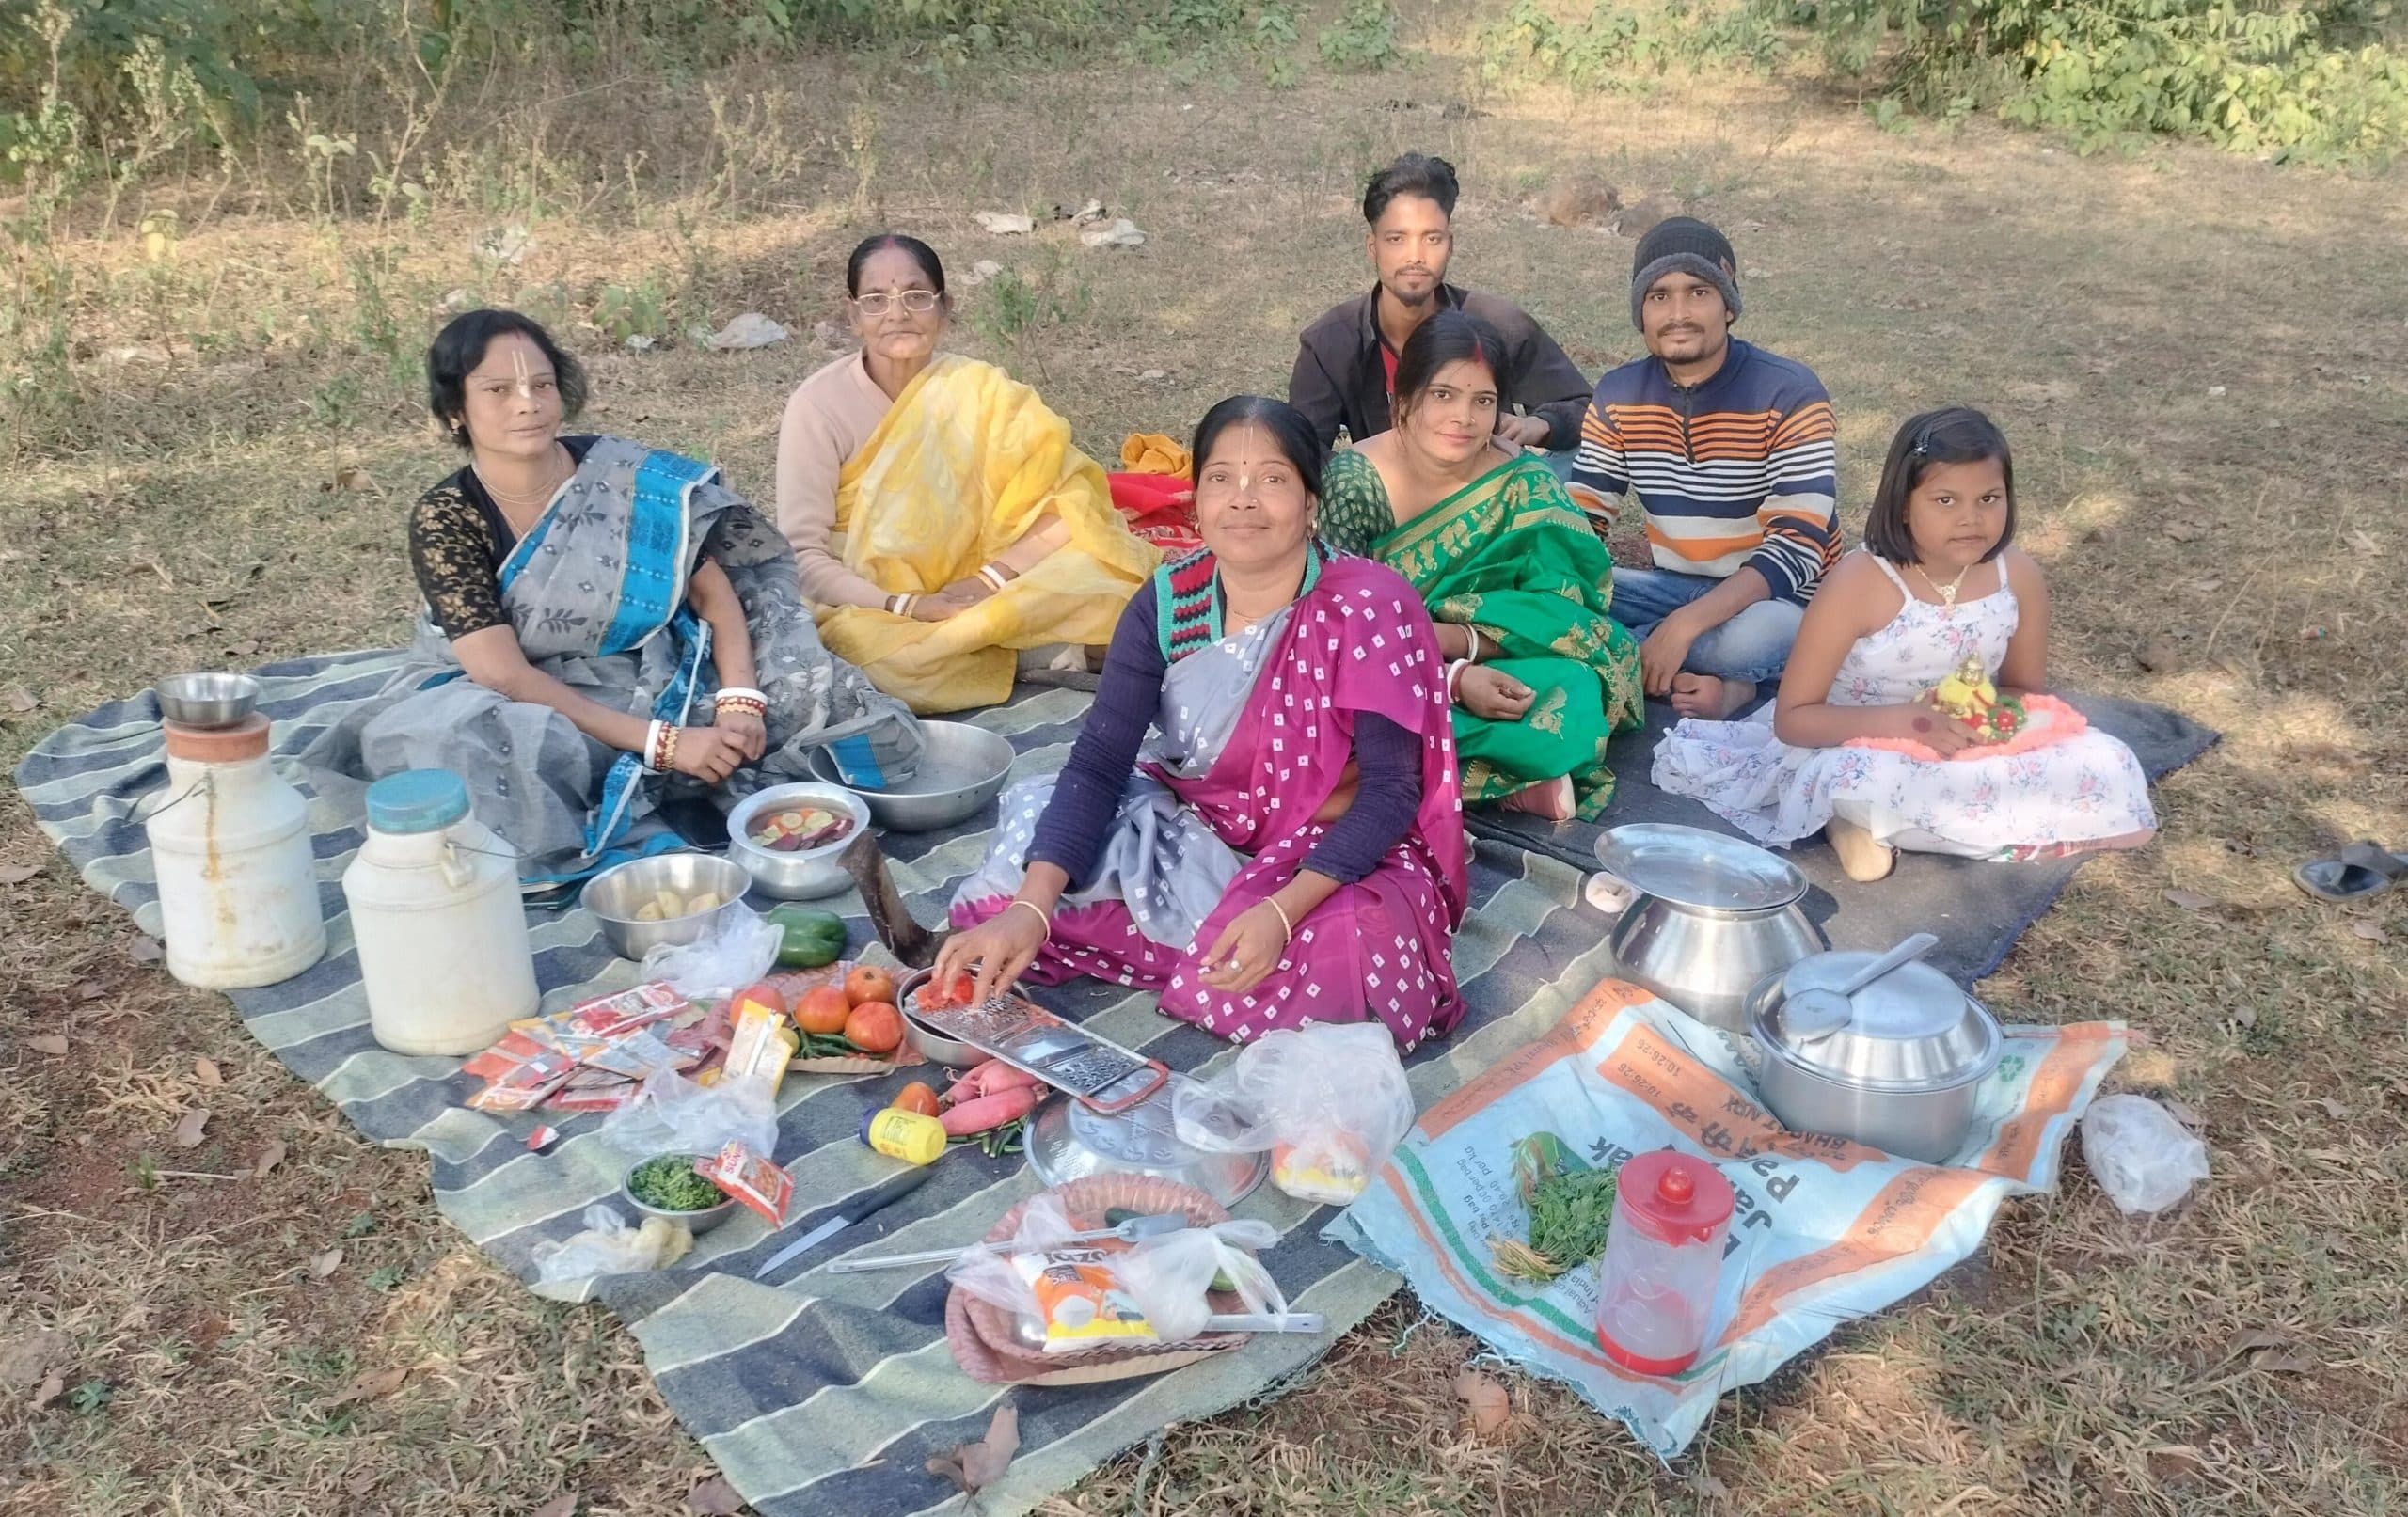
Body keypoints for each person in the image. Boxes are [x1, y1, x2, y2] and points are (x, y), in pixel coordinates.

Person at [301, 309, 922, 884]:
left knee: (817, 690)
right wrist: (665, 743)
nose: (528, 405)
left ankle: (697, 770)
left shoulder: (619, 476)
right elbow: (502, 673)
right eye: (498, 390)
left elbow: (714, 592)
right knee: (480, 755)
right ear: (456, 410)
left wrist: (740, 700)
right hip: (529, 694)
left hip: (658, 661)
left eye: (541, 385)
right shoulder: (447, 517)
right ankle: (664, 787)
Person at [935, 396, 1470, 1050]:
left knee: (1357, 960)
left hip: (1330, 853)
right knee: (1018, 875)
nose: (1243, 500)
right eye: (1221, 478)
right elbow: (1101, 761)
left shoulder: (1368, 605)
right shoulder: (1166, 602)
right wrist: (1030, 908)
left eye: (1272, 479)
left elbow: (1391, 791)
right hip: (1198, 832)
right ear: (1195, 505)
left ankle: (1236, 940)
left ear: (1309, 504)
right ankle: (1194, 940)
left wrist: (1280, 910)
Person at [1651, 407, 2157, 881]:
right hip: (1857, 742)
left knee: (2108, 760)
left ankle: (1903, 825)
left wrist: (1987, 725)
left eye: (1989, 499)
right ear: (1903, 506)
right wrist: (1913, 724)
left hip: (1959, 739)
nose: (1971, 519)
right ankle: (1851, 818)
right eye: (1945, 500)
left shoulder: (2016, 575)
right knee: (1854, 779)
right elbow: (1794, 719)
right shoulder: (1861, 581)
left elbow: (2024, 691)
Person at [774, 233, 1159, 713]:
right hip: (873, 601)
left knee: (1118, 585)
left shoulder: (980, 389)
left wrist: (989, 580)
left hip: (986, 584)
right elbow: (802, 556)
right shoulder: (818, 407)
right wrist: (907, 606)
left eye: (916, 295)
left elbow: (1070, 503)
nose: (897, 313)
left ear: (944, 308)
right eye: (876, 300)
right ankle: (1030, 648)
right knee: (871, 660)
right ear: (854, 317)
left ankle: (1006, 643)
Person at [1318, 310, 1644, 822]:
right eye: (1443, 395)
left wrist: (1467, 649)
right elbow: (1339, 626)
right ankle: (1501, 783)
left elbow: (1559, 611)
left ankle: (1426, 781)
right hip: (1386, 667)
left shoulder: (1522, 483)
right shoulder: (1358, 482)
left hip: (1500, 653)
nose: (1463, 418)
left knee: (1581, 686)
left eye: (1483, 401)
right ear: (1403, 398)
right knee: (1342, 720)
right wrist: (1453, 678)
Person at [1568, 216, 1839, 719]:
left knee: (1762, 639)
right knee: (1562, 591)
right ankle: (1707, 676)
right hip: (1671, 590)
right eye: (1659, 297)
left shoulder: (1790, 392)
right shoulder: (1620, 394)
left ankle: (1627, 656)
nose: (1678, 314)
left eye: (1698, 292)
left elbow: (1798, 549)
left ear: (1728, 305)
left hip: (1775, 601)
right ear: (1640, 313)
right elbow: (1583, 518)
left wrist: (1684, 626)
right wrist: (1554, 589)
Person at [1289, 152, 1592, 468]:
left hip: (1490, 498)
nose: (1415, 256)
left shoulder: (1498, 323)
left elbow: (1589, 409)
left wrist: (1540, 425)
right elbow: (1303, 449)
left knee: (1583, 460)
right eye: (1396, 239)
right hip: (1388, 502)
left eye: (1431, 238)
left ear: (1449, 245)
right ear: (1373, 247)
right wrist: (1367, 489)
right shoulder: (1331, 342)